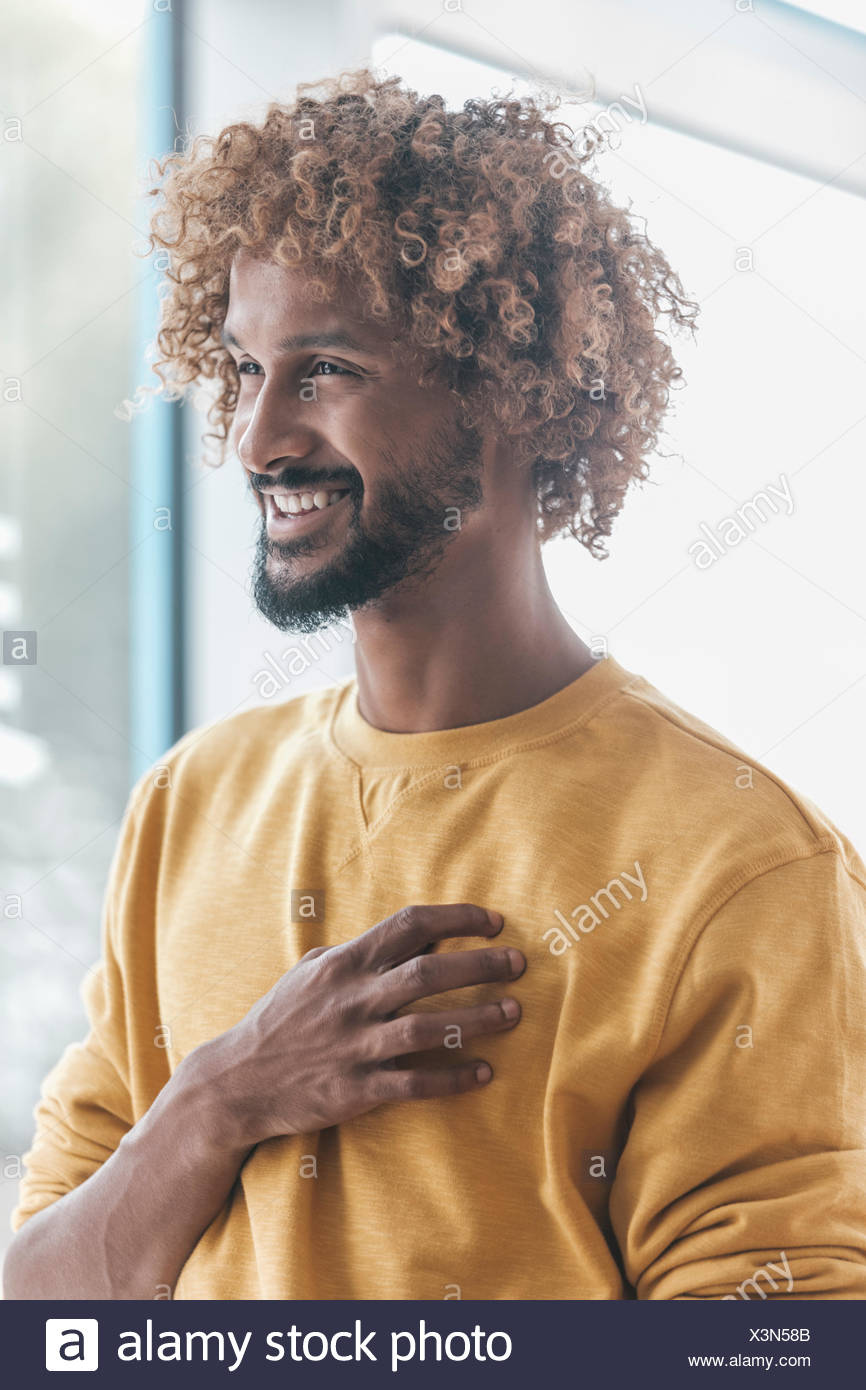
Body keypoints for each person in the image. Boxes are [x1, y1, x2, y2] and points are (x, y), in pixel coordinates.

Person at [5, 68, 865, 1301]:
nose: (256, 441)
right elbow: (44, 1318)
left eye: (325, 368)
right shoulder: (190, 803)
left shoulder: (741, 865)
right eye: (246, 370)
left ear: (507, 393)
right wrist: (221, 1097)